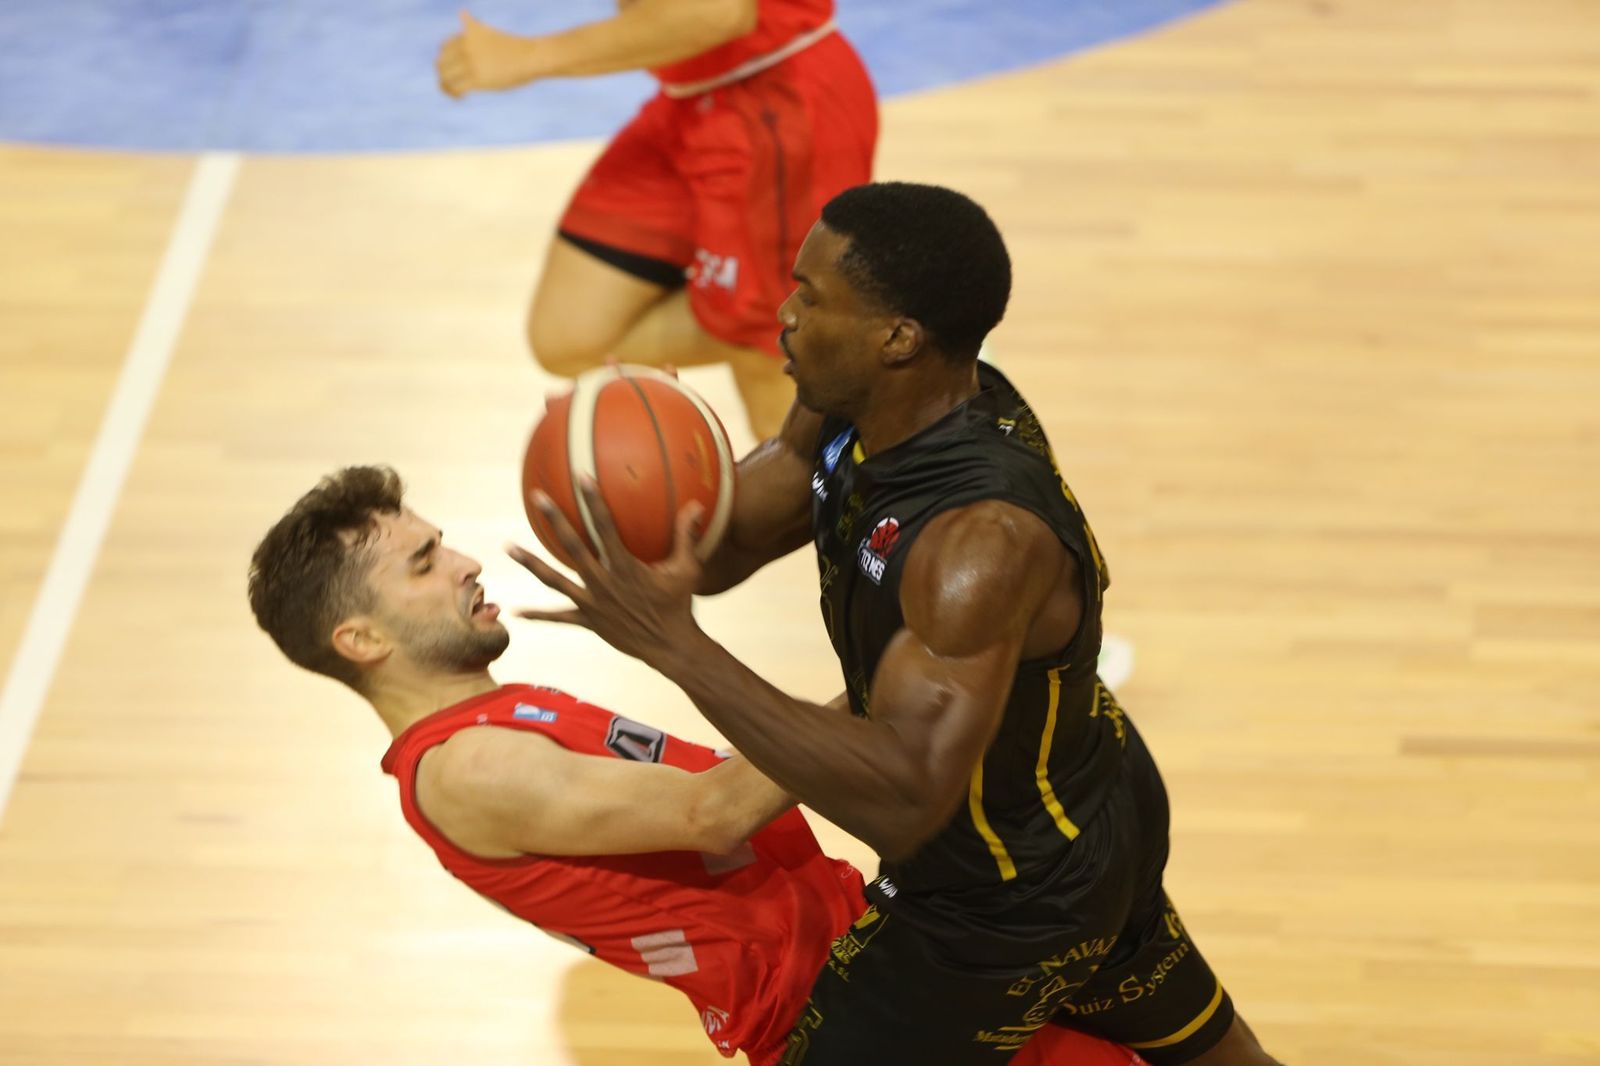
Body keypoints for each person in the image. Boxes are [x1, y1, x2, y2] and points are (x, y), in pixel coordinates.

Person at [517, 182, 1282, 1065]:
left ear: (898, 337)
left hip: (1004, 890)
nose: (785, 316)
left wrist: (671, 644)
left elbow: (909, 794)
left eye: (812, 297)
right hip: (1075, 804)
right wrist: (652, 485)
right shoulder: (856, 401)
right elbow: (731, 541)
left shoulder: (978, 540)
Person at [246, 465, 1143, 1066]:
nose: (468, 563)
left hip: (873, 962)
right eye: (425, 563)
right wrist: (941, 657)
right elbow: (715, 812)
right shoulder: (468, 770)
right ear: (360, 639)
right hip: (848, 1014)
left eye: (443, 544)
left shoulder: (486, 723)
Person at [434, 0, 877, 439]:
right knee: (569, 336)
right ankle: (829, 322)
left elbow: (717, 13)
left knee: (771, 347)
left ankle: (819, 485)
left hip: (775, 103)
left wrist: (529, 56)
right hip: (690, 98)